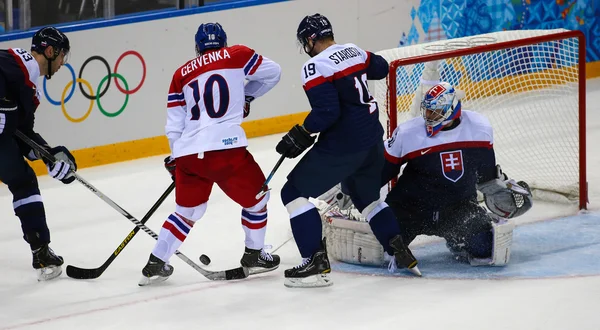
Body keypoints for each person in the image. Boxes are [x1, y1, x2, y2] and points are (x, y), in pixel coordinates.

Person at [275, 13, 420, 289]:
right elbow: (381, 67)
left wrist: (303, 131)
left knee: (292, 193)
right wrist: (357, 59)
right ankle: (399, 251)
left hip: (344, 145)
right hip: (372, 141)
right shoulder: (353, 50)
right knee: (368, 199)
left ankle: (315, 265)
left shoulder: (315, 66)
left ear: (310, 39)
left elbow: (328, 112)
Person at [321, 82, 533, 269]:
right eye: (427, 111)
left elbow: (485, 176)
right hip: (410, 208)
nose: (428, 117)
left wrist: (499, 187)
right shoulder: (408, 133)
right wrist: (351, 186)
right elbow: (382, 169)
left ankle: (459, 237)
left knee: (484, 247)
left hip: (458, 209)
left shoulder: (480, 128)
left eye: (435, 112)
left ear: (451, 110)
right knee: (379, 252)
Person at [139, 22, 282, 286]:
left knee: (187, 211)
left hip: (189, 154)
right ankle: (254, 254)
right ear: (224, 43)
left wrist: (175, 156)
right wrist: (247, 96)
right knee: (258, 199)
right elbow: (274, 73)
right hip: (226, 148)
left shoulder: (180, 73)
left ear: (197, 48)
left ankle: (157, 260)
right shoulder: (237, 54)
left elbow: (174, 123)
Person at [0, 26, 77, 281]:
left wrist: (50, 155)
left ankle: (41, 251)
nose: (62, 63)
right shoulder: (20, 62)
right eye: (62, 55)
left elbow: (22, 133)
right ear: (51, 51)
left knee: (24, 180)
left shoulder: (32, 90)